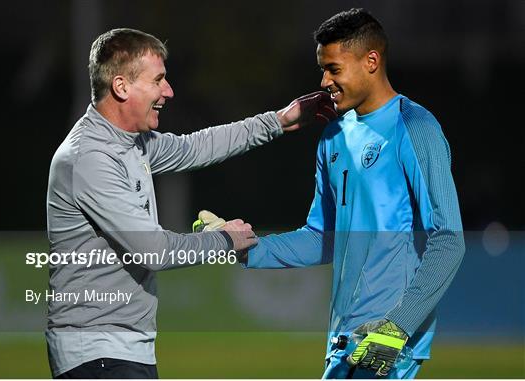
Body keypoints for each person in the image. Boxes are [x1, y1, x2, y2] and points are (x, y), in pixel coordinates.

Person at [45, 28, 336, 378]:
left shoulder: (130, 141)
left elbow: (195, 147)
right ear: (121, 87)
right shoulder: (90, 158)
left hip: (117, 350)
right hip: (95, 352)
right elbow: (152, 251)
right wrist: (226, 240)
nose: (168, 91)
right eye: (158, 80)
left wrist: (277, 120)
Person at [240, 8, 465, 379]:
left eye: (334, 68)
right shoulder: (333, 136)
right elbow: (322, 238)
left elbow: (449, 240)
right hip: (341, 341)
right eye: (323, 68)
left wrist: (398, 327)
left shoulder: (415, 126)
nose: (324, 80)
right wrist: (244, 249)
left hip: (387, 345)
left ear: (371, 61)